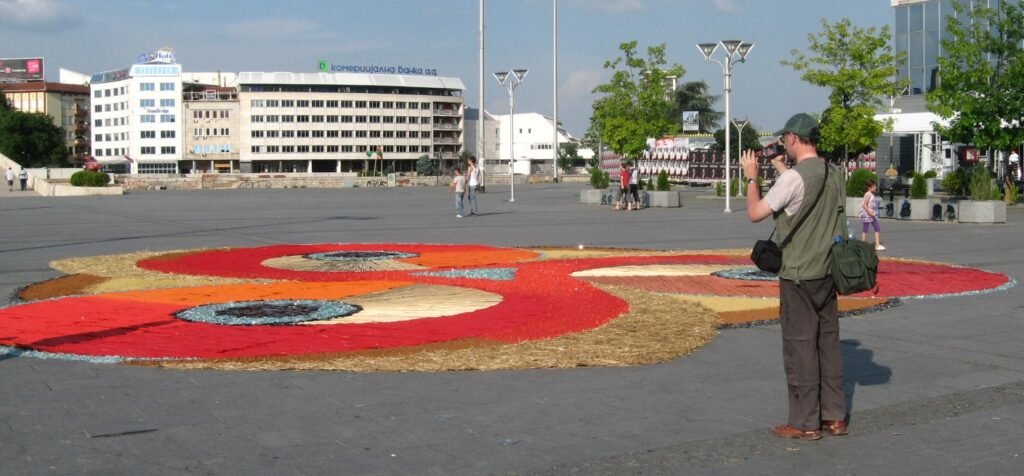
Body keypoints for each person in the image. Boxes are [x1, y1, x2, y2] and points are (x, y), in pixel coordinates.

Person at [740, 113, 848, 441]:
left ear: (792, 138)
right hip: (828, 271)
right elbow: (802, 191)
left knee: (800, 346)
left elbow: (756, 214)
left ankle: (805, 423)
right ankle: (834, 417)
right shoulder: (834, 173)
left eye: (785, 139)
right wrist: (779, 166)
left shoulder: (794, 179)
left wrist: (751, 178)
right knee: (828, 344)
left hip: (799, 274)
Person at [859, 179, 885, 250]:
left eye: (875, 186)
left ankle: (877, 245)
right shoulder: (868, 194)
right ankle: (865, 245)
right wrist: (870, 212)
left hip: (871, 215)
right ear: (869, 187)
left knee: (876, 228)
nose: (875, 188)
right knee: (865, 229)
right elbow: (864, 205)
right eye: (874, 186)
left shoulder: (871, 194)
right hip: (868, 215)